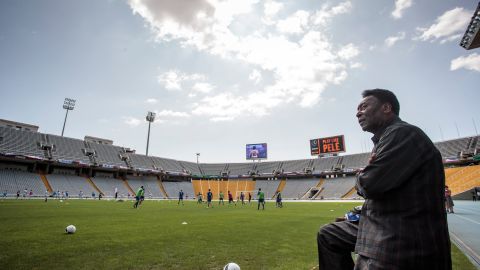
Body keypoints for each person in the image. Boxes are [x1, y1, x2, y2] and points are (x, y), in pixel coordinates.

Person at [317, 89, 451, 269]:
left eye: (364, 107)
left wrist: (362, 174)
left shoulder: (403, 133)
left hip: (402, 237)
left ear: (387, 107)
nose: (358, 113)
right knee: (329, 235)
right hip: (385, 225)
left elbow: (370, 184)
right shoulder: (386, 139)